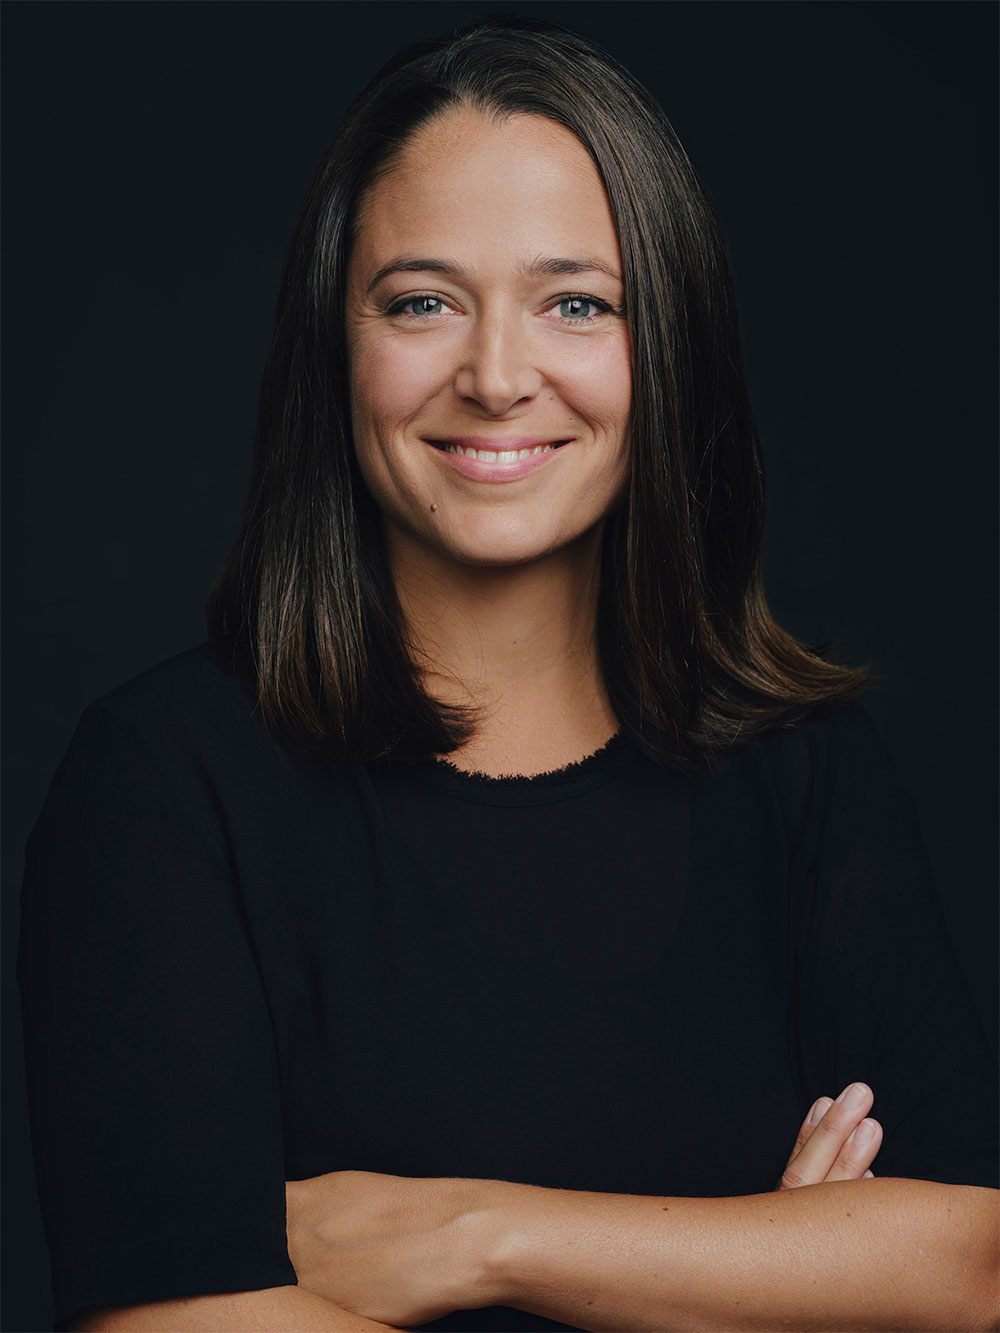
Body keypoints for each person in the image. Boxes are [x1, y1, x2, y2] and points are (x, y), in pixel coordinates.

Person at [18, 15, 997, 1333]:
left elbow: (970, 1267)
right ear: (338, 347)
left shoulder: (807, 769)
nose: (494, 375)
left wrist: (483, 1238)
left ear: (669, 349)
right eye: (421, 301)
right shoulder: (160, 788)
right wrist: (764, 1278)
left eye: (577, 303)